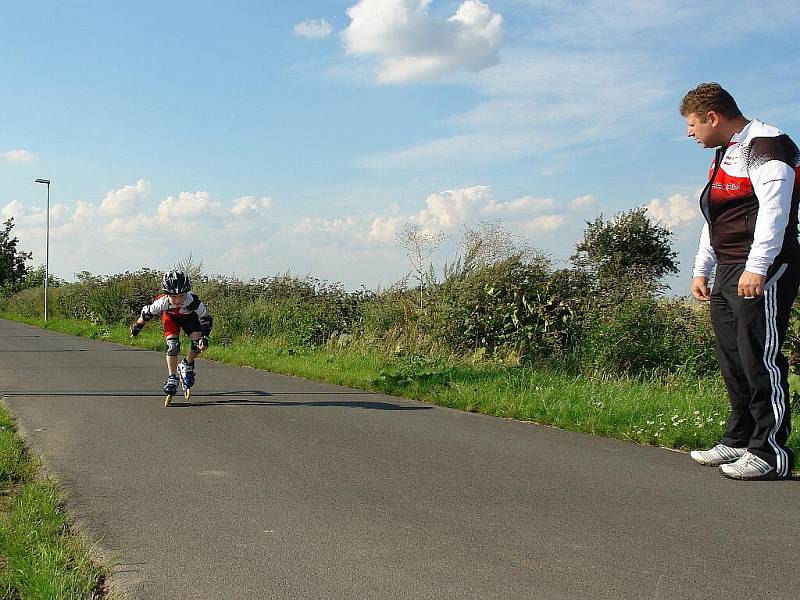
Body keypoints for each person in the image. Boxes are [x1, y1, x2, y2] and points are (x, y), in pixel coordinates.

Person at [681, 82, 800, 480]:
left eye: (693, 124)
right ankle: (739, 439)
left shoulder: (767, 144)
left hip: (761, 268)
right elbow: (715, 216)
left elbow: (775, 212)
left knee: (758, 357)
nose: (690, 132)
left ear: (713, 117)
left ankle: (770, 452)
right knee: (733, 358)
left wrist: (758, 266)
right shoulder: (726, 152)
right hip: (729, 269)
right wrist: (703, 268)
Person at [130, 270, 213, 396]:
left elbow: (206, 318)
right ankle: (172, 378)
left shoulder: (193, 300)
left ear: (187, 293)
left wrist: (205, 336)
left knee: (198, 344)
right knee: (172, 346)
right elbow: (146, 314)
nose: (178, 300)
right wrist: (137, 326)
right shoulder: (161, 303)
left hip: (189, 318)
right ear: (166, 294)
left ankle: (187, 364)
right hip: (171, 319)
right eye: (173, 297)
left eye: (181, 295)